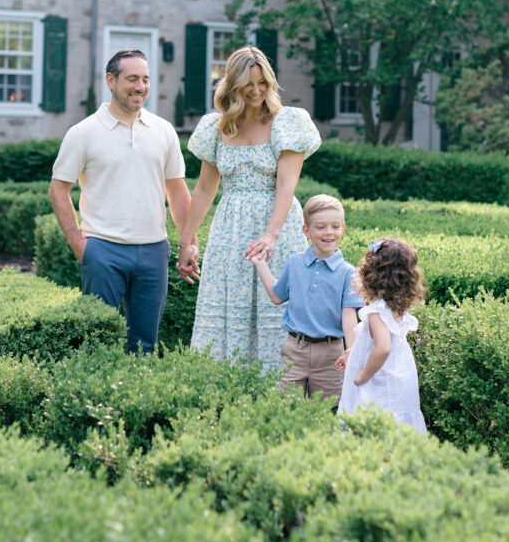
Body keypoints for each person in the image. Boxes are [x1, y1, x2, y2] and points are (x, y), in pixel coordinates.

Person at [178, 45, 321, 371]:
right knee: (230, 309)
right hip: (230, 230)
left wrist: (271, 236)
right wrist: (187, 242)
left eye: (263, 83)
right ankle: (226, 388)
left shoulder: (288, 123)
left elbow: (286, 185)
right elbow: (203, 189)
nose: (256, 91)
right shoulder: (218, 127)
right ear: (233, 85)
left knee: (276, 306)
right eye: (248, 84)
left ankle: (282, 390)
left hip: (278, 227)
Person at [48, 49, 199, 354]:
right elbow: (58, 189)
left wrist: (188, 243)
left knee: (144, 345)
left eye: (145, 79)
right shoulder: (83, 133)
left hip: (154, 251)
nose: (140, 87)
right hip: (103, 250)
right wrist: (81, 246)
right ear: (111, 80)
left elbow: (178, 190)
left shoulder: (164, 131)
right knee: (97, 342)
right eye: (132, 79)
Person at [250, 194, 363, 400]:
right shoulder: (294, 263)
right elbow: (277, 296)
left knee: (327, 410)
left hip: (331, 353)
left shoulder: (349, 273)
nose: (329, 232)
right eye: (320, 227)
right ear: (306, 231)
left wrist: (352, 351)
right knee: (286, 407)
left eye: (335, 227)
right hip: (295, 350)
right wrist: (260, 264)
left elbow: (349, 317)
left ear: (343, 229)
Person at [336, 236, 427, 432]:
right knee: (398, 423)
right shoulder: (395, 307)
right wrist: (353, 354)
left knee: (376, 423)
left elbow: (383, 348)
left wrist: (363, 374)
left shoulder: (377, 311)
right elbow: (373, 343)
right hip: (400, 375)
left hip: (379, 378)